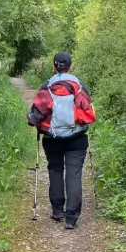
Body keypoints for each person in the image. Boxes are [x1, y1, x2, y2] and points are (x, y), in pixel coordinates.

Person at [26, 52, 96, 229]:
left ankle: (58, 211)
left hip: (52, 138)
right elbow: (88, 110)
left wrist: (38, 125)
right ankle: (71, 217)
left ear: (54, 66)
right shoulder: (79, 85)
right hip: (78, 138)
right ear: (71, 66)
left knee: (55, 170)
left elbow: (35, 114)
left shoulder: (47, 86)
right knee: (74, 174)